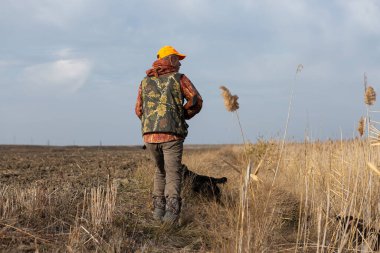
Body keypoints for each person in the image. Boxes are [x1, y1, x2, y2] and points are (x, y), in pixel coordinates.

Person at [135, 45, 203, 223]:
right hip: (171, 135)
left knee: (160, 171)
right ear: (171, 60)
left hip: (149, 136)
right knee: (173, 173)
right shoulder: (179, 78)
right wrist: (183, 114)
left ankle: (158, 213)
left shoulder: (144, 81)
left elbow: (138, 110)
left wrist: (151, 124)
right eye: (177, 60)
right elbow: (196, 100)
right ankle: (171, 217)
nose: (179, 64)